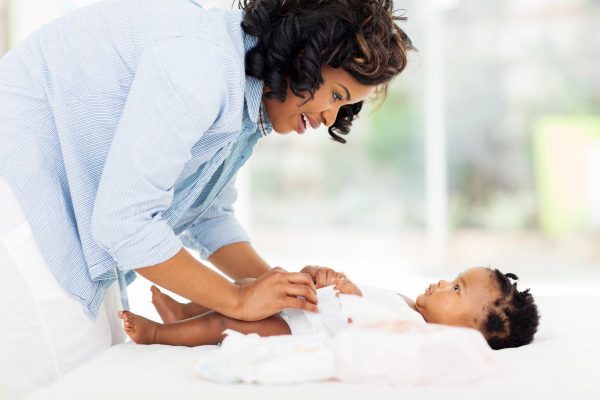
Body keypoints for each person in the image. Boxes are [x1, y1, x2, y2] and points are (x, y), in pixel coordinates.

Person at [0, 0, 413, 396]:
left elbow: (209, 216)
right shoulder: (203, 68)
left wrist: (285, 294)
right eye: (336, 96)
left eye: (346, 107)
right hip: (24, 193)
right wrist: (237, 299)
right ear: (304, 56)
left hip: (68, 210)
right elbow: (124, 223)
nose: (330, 119)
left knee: (99, 364)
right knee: (74, 376)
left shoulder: (244, 98)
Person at [119, 266, 541, 350]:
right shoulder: (409, 305)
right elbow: (353, 296)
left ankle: (160, 333)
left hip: (306, 330)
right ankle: (184, 310)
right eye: (452, 278)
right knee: (245, 286)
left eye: (455, 289)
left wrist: (350, 297)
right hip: (309, 307)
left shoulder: (414, 331)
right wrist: (327, 278)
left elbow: (367, 329)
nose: (440, 283)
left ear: (464, 332)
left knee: (226, 322)